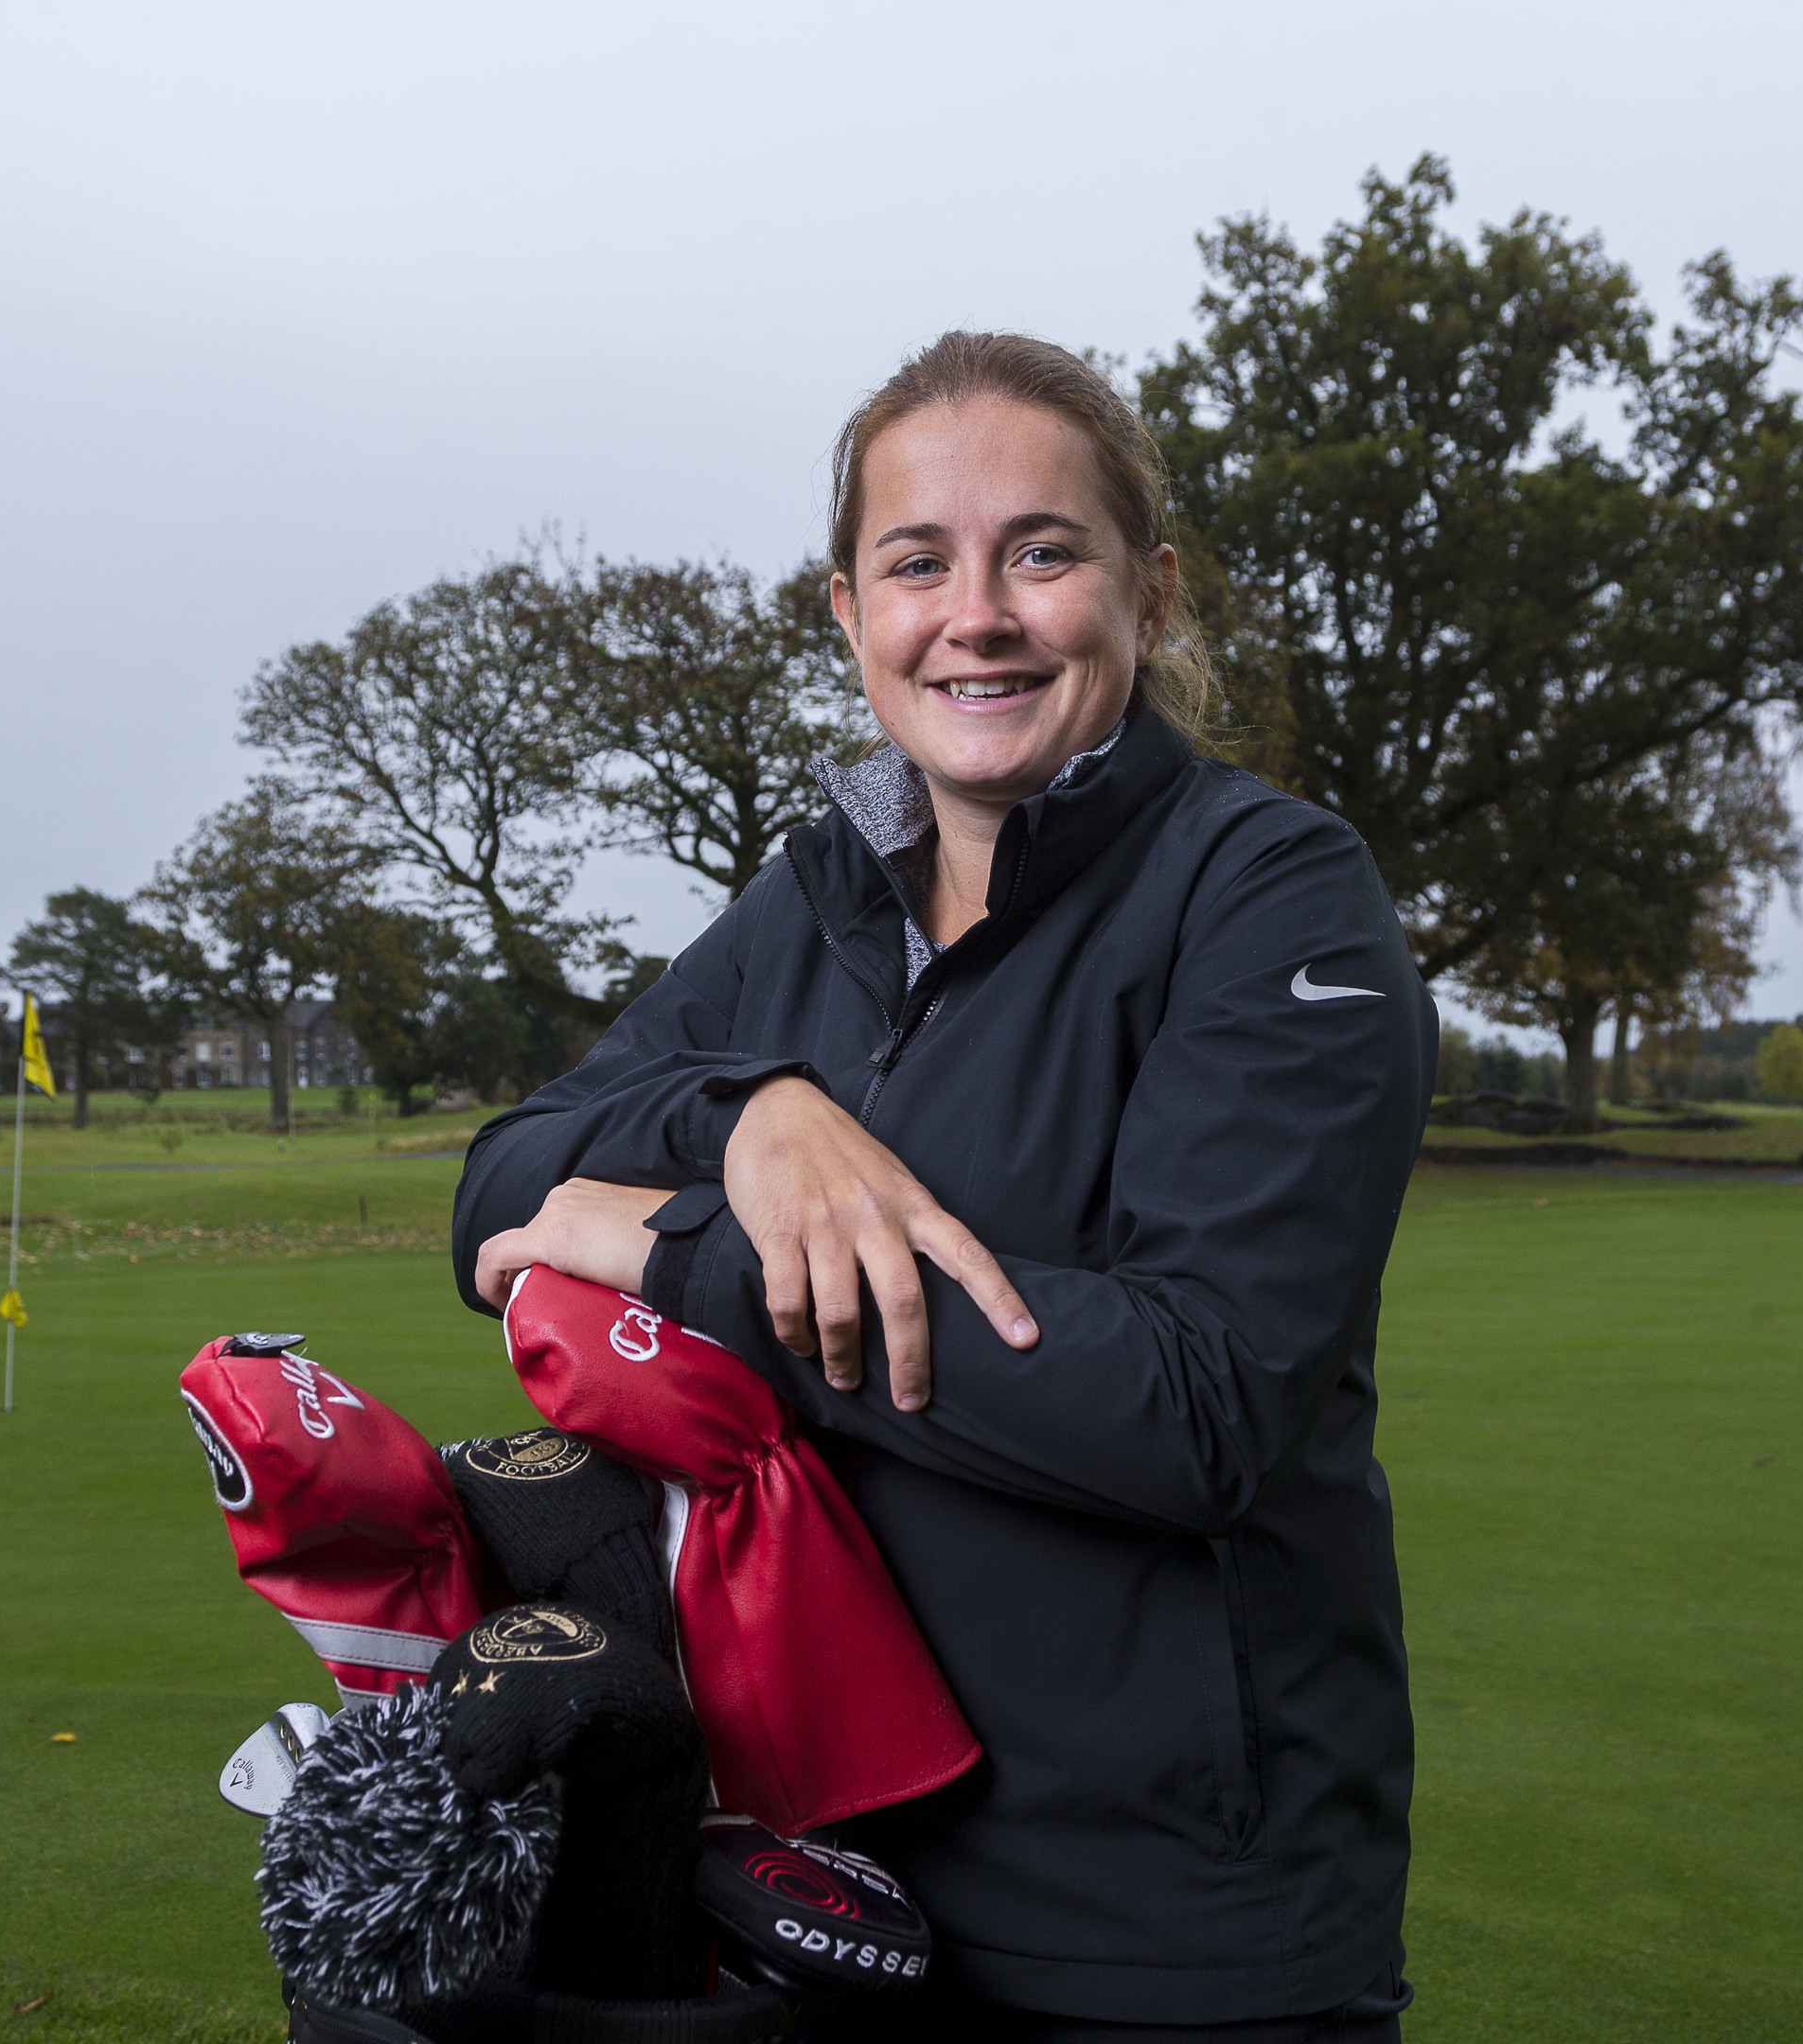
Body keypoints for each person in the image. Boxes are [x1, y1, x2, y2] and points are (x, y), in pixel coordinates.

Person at [452, 331, 1436, 2042]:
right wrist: (752, 1112)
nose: (973, 613)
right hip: (814, 1889)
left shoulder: (1273, 891)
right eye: (918, 562)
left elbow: (1194, 1400)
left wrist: (677, 1251)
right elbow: (497, 1195)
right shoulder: (816, 895)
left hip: (1157, 1935)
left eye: (1040, 553)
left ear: (1149, 588)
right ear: (851, 614)